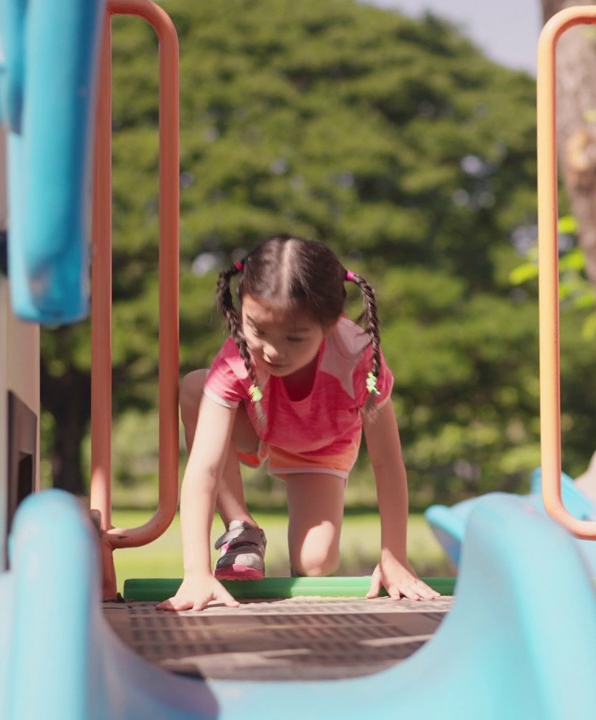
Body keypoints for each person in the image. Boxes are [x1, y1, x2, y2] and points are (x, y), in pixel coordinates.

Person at [158, 234, 440, 611]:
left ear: (329, 323)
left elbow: (388, 462)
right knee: (196, 386)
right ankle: (242, 527)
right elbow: (205, 467)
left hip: (321, 447)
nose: (274, 351)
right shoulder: (238, 358)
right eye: (258, 330)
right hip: (257, 421)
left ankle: (303, 546)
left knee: (315, 562)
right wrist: (196, 571)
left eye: (294, 337)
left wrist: (395, 557)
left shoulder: (357, 359)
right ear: (241, 307)